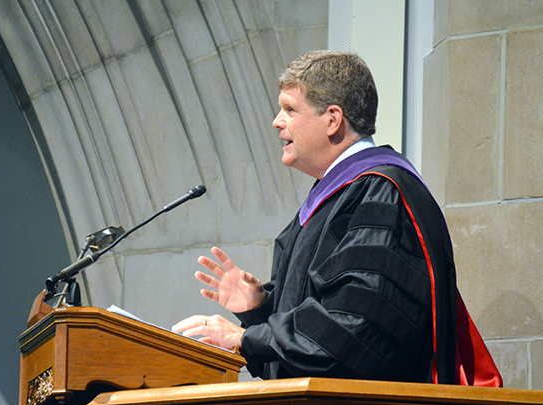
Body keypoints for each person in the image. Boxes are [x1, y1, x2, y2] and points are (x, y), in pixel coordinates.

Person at [173, 50, 501, 385]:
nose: (276, 121)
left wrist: (247, 338)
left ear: (332, 119)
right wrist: (259, 308)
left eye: (289, 109)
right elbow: (321, 326)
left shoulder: (379, 193)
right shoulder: (334, 197)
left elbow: (354, 333)